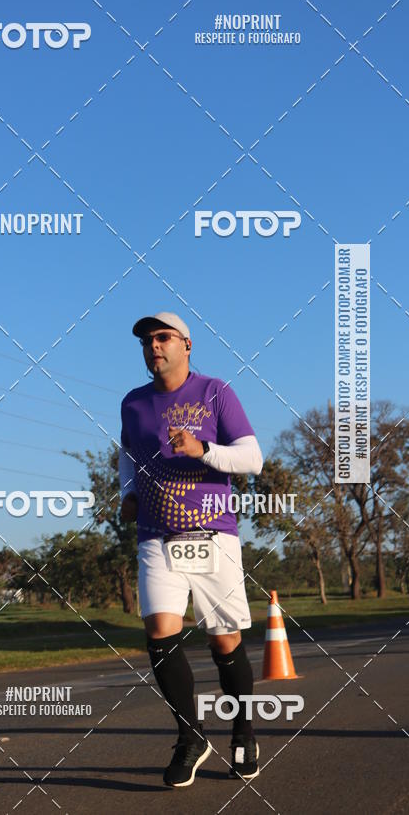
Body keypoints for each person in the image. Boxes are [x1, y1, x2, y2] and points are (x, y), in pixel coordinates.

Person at [118, 311, 264, 788]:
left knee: (225, 640)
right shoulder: (134, 403)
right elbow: (127, 457)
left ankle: (243, 732)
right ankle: (190, 737)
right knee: (160, 634)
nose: (153, 346)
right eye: (146, 341)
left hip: (211, 533)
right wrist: (128, 496)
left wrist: (203, 449)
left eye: (162, 338)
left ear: (187, 344)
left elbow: (251, 457)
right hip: (157, 536)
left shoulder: (215, 392)